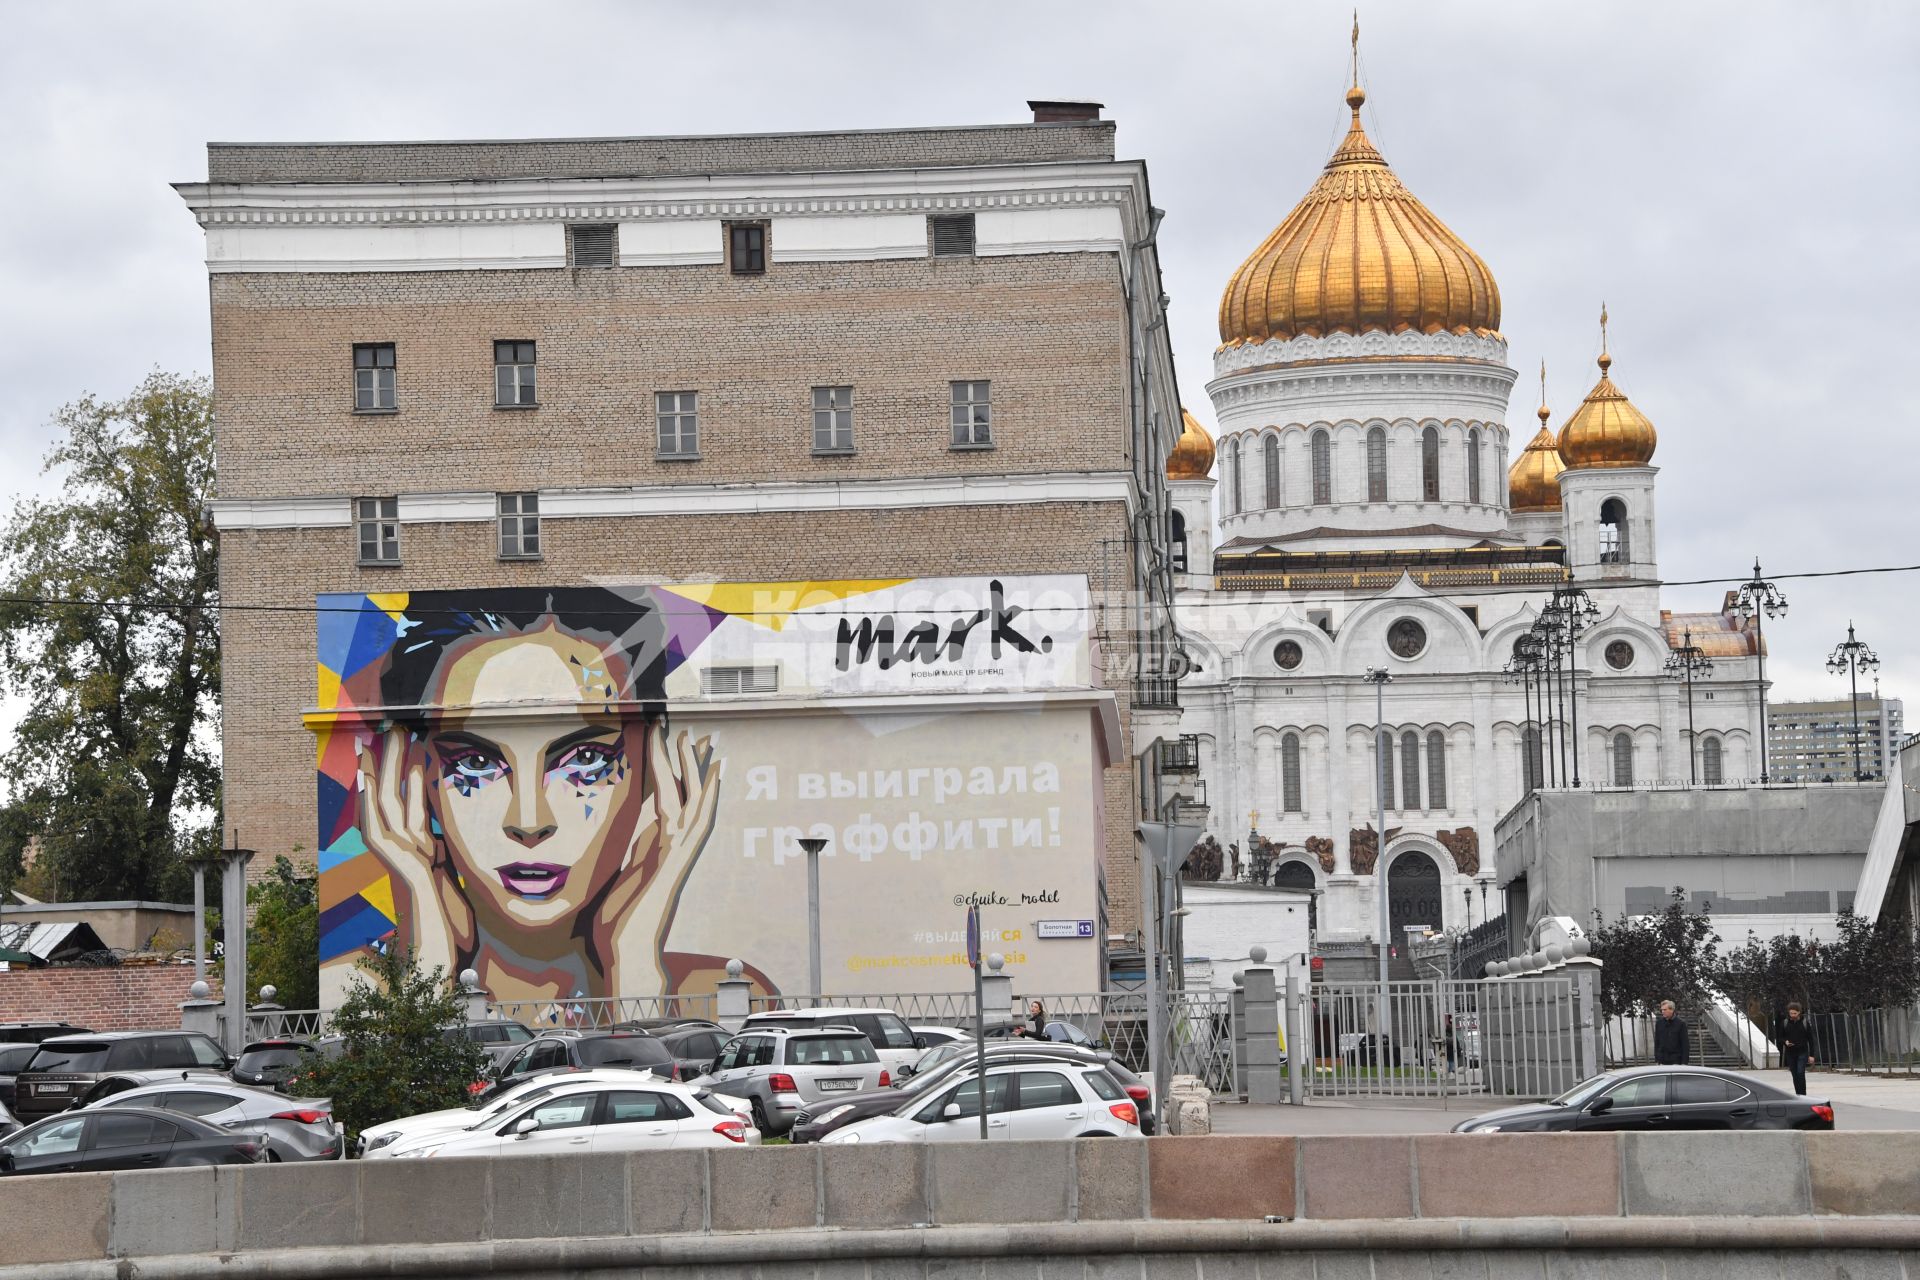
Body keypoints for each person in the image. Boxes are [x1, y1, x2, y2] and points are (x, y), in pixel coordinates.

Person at [346, 588, 757, 1004]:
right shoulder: (357, 994)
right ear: (416, 779)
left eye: (586, 759)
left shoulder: (726, 993)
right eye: (475, 763)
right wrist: (429, 950)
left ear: (653, 772)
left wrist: (631, 963)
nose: (528, 823)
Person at [1776, 1001, 1815, 1095]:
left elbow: (1811, 1039)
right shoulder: (1785, 1023)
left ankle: (1803, 1095)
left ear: (1799, 1012)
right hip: (1790, 1053)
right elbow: (1780, 1037)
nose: (1792, 1015)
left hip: (1802, 1052)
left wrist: (1812, 1055)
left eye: (1794, 1013)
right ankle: (1798, 1094)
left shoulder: (1805, 1023)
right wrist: (1785, 1042)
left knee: (1800, 1073)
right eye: (1791, 1013)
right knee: (1794, 1074)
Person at [1653, 999, 1688, 1065]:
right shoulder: (1659, 1023)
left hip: (1676, 1061)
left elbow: (1685, 1045)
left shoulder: (1681, 1024)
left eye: (1665, 1010)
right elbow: (1657, 1042)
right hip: (1661, 1060)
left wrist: (1684, 1063)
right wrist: (1656, 1060)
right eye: (1662, 1010)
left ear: (1672, 1010)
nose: (1662, 1012)